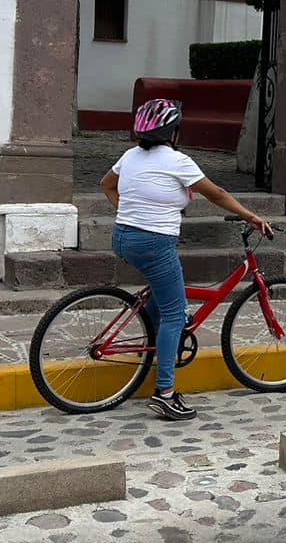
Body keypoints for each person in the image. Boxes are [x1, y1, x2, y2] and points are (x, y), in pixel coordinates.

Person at [101, 98, 272, 421]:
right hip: (154, 243)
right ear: (173, 132)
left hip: (123, 238)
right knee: (174, 314)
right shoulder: (178, 162)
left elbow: (106, 185)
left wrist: (131, 214)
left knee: (162, 294)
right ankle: (165, 394)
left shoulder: (129, 156)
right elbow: (217, 193)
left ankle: (149, 342)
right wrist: (251, 216)